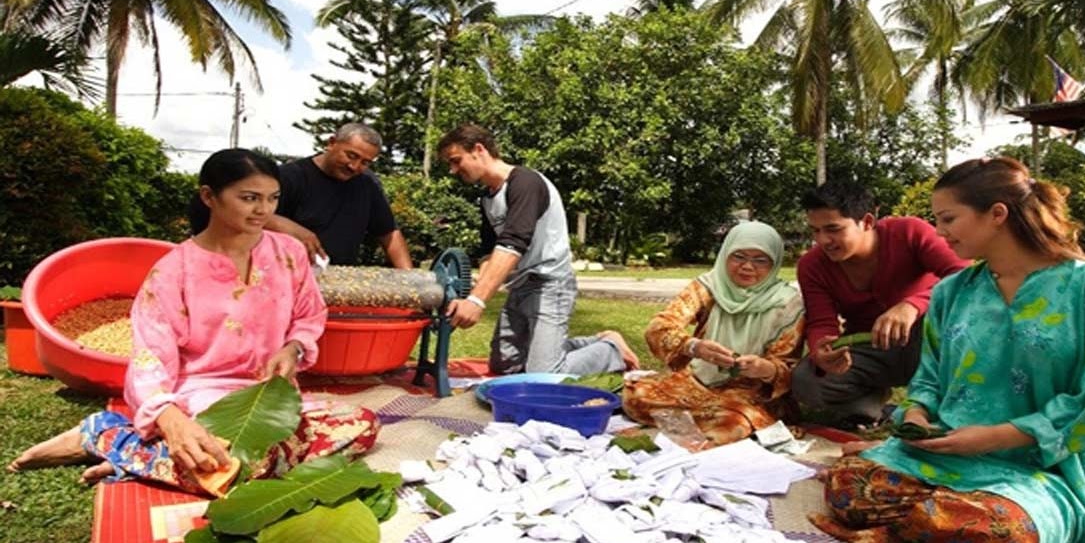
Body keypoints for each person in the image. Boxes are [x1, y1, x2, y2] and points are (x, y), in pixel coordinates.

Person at [811, 157, 1085, 543]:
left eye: (948, 219)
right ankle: (922, 522)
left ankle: (914, 525)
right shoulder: (951, 292)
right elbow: (928, 378)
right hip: (945, 453)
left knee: (993, 529)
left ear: (996, 214)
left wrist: (993, 437)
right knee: (848, 488)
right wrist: (917, 414)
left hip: (1039, 469)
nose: (939, 232)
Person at [8, 149, 379, 495]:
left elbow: (309, 314)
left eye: (272, 198)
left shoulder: (289, 254)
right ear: (208, 197)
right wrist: (170, 419)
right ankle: (106, 437)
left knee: (360, 425)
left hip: (269, 397)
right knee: (248, 463)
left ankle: (135, 454)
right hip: (201, 396)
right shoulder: (175, 271)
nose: (263, 210)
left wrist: (293, 347)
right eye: (249, 198)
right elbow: (150, 359)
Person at [436, 124, 638, 375]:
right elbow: (489, 252)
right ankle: (592, 342)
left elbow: (513, 242)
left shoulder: (525, 182)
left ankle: (610, 350)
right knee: (505, 366)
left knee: (543, 375)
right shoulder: (488, 198)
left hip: (550, 285)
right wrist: (474, 293)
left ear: (479, 149)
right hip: (519, 287)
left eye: (456, 161)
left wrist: (477, 301)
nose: (453, 170)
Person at [790, 181, 969, 429]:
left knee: (966, 333)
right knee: (806, 380)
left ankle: (945, 407)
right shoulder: (812, 266)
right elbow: (821, 322)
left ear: (867, 221)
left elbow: (963, 275)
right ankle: (872, 410)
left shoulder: (909, 232)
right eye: (815, 231)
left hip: (926, 338)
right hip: (869, 346)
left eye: (833, 229)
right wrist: (822, 351)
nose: (823, 240)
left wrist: (913, 305)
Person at [622, 222, 805, 446]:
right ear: (725, 254)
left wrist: (766, 369)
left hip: (750, 394)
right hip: (697, 382)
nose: (748, 266)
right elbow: (659, 327)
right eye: (739, 256)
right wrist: (694, 347)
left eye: (760, 260)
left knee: (734, 422)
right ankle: (705, 430)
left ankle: (702, 429)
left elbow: (791, 367)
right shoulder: (709, 286)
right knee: (636, 396)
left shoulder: (789, 304)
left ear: (775, 262)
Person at [267, 123, 413, 268]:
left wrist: (411, 280)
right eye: (351, 156)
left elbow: (389, 233)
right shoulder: (289, 177)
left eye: (365, 162)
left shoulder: (368, 183)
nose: (354, 166)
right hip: (286, 274)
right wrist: (290, 228)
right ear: (331, 143)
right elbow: (252, 217)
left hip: (342, 279)